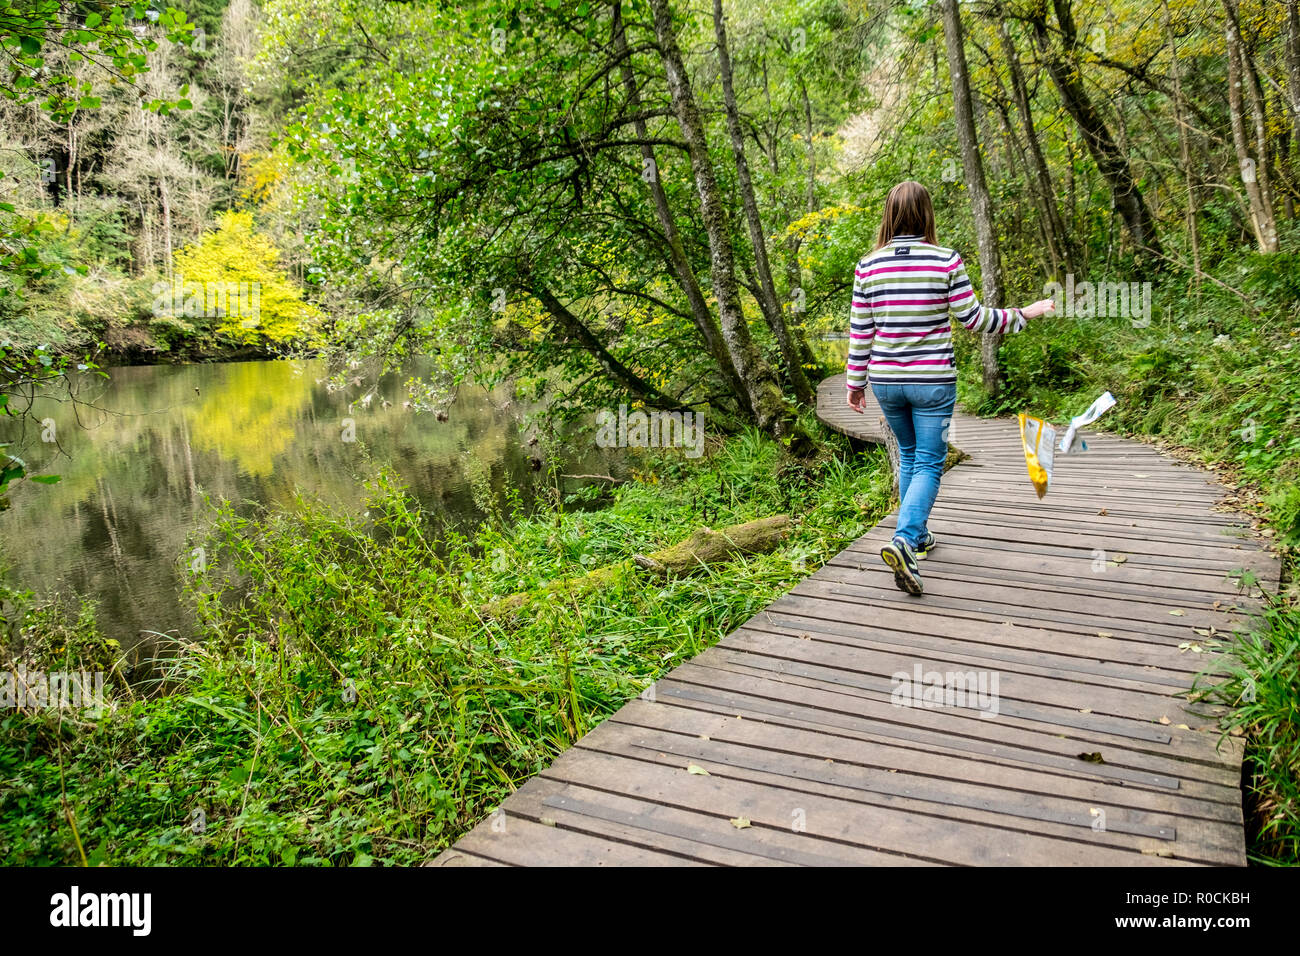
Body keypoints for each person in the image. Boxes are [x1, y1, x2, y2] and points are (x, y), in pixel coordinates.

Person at [845, 180, 1055, 596]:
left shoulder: (868, 265)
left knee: (910, 457)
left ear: (889, 215)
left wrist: (855, 383)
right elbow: (974, 319)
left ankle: (918, 537)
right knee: (927, 462)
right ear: (926, 214)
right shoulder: (945, 260)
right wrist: (1024, 313)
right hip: (933, 382)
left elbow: (860, 331)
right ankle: (905, 540)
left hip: (887, 382)